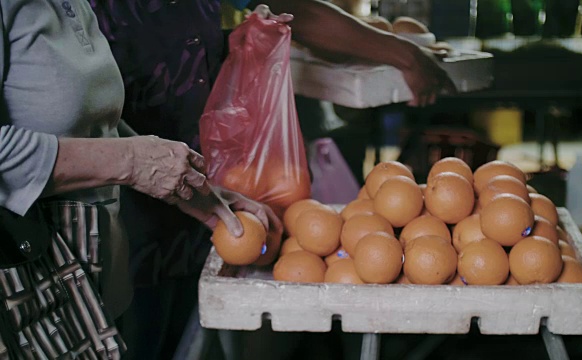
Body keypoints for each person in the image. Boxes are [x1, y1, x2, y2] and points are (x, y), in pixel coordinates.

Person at [88, 1, 455, 358]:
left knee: (196, 323)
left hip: (205, 186)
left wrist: (404, 54)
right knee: (133, 331)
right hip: (119, 201)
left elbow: (299, 8)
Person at [0, 1, 280, 357]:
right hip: (26, 298)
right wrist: (132, 162)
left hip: (92, 288)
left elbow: (93, 121)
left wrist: (188, 187)